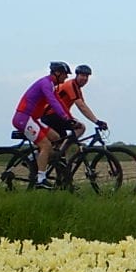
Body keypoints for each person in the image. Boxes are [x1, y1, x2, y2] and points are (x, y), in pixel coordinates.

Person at [13, 61, 82, 189]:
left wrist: (71, 119)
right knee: (46, 144)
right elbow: (53, 102)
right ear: (57, 73)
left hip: (32, 119)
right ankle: (41, 178)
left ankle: (34, 159)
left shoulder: (51, 85)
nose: (66, 77)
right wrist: (65, 118)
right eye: (65, 74)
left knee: (56, 138)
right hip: (24, 118)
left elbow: (60, 103)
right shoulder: (45, 83)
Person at [54, 64, 108, 137]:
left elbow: (83, 105)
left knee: (60, 141)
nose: (85, 78)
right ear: (77, 75)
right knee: (80, 128)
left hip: (59, 115)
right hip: (53, 114)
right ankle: (63, 147)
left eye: (87, 76)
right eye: (82, 75)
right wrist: (97, 121)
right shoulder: (71, 85)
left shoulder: (76, 88)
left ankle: (62, 147)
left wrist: (96, 121)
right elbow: (81, 106)